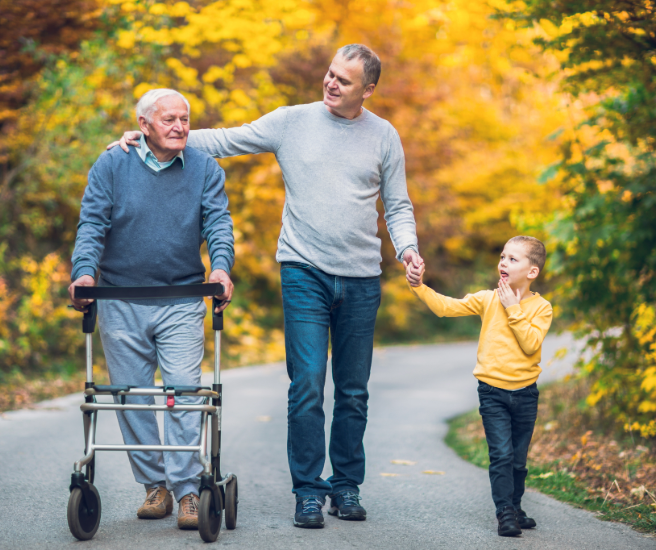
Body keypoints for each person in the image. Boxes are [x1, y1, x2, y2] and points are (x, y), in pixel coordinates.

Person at [110, 44, 424, 528]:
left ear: (368, 89)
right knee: (305, 388)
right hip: (303, 270)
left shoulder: (383, 136)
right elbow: (224, 141)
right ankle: (307, 491)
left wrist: (407, 249)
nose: (331, 83)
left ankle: (345, 486)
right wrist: (152, 136)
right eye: (330, 73)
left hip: (362, 277)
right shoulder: (291, 121)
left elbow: (398, 205)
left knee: (354, 390)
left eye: (344, 79)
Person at [69, 89, 235, 530]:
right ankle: (154, 487)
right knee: (132, 397)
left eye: (185, 119)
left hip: (181, 298)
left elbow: (218, 222)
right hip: (119, 298)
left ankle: (186, 493)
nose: (181, 126)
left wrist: (220, 268)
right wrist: (84, 273)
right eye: (169, 120)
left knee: (182, 392)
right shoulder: (112, 164)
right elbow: (92, 223)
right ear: (144, 125)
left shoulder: (204, 168)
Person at [406, 235, 553, 537]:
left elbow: (530, 344)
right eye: (502, 257)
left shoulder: (542, 308)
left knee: (519, 459)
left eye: (513, 259)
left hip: (525, 393)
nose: (503, 263)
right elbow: (447, 307)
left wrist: (514, 308)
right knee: (501, 455)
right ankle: (505, 513)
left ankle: (515, 505)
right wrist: (419, 287)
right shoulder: (488, 299)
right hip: (492, 392)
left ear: (532, 271)